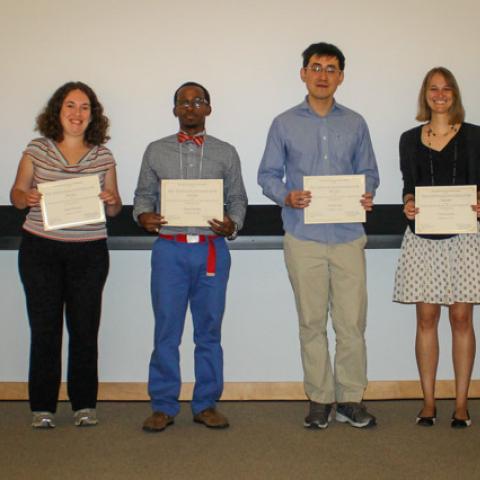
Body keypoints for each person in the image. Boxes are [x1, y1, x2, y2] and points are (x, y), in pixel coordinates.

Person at [258, 42, 380, 429]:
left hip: (347, 237)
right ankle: (319, 398)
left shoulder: (356, 123)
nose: (323, 75)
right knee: (311, 322)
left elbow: (371, 173)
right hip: (303, 237)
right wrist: (286, 196)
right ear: (304, 73)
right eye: (316, 67)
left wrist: (367, 193)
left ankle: (350, 398)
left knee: (351, 324)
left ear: (341, 76)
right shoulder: (283, 123)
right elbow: (266, 176)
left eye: (331, 68)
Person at [134, 82, 247, 432]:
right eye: (183, 102)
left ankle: (206, 403)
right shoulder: (156, 151)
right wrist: (143, 216)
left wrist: (232, 223)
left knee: (208, 331)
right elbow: (142, 196)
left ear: (208, 109)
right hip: (170, 249)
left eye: (197, 101)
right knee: (166, 330)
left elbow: (238, 199)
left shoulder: (226, 152)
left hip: (211, 250)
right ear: (174, 110)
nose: (190, 107)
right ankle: (164, 405)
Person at [10, 81, 122, 428]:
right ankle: (42, 408)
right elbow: (16, 192)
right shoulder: (37, 149)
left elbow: (116, 206)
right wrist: (24, 198)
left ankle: (84, 405)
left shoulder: (103, 155)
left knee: (85, 330)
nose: (77, 113)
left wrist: (110, 201)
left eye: (85, 107)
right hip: (40, 250)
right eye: (70, 106)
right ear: (58, 111)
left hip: (89, 253)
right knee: (44, 330)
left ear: (93, 115)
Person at [393, 67, 480, 428]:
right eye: (433, 88)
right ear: (425, 94)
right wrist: (408, 202)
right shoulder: (409, 138)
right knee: (426, 319)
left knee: (461, 319)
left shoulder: (476, 136)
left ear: (455, 94)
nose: (440, 94)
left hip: (463, 238)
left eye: (446, 89)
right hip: (422, 238)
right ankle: (428, 402)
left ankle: (460, 403)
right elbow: (408, 185)